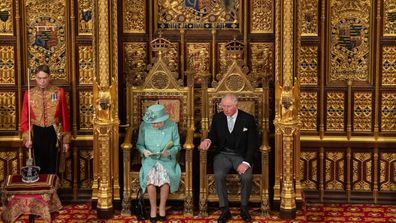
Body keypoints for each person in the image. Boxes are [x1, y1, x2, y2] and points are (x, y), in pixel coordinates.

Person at [199, 94, 259, 223]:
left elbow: (252, 143)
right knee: (219, 175)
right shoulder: (218, 118)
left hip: (241, 156)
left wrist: (246, 162)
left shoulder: (247, 119)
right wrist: (208, 140)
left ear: (236, 105)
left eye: (229, 106)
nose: (225, 109)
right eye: (223, 106)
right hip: (223, 154)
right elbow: (212, 135)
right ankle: (224, 209)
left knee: (246, 176)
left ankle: (244, 208)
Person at [20, 64, 70, 174]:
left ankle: (52, 189)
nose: (42, 81)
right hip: (36, 132)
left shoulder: (58, 92)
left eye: (44, 78)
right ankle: (40, 189)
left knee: (53, 163)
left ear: (49, 77)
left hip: (53, 132)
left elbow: (65, 117)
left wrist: (66, 140)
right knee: (38, 164)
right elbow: (24, 118)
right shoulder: (29, 94)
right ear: (35, 78)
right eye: (39, 78)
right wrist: (27, 138)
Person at [136, 104, 181, 223]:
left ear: (164, 120)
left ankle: (161, 208)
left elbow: (178, 146)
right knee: (150, 180)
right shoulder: (144, 126)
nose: (155, 125)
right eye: (153, 123)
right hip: (150, 160)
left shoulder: (172, 126)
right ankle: (152, 209)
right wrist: (144, 151)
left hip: (166, 160)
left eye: (158, 123)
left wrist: (169, 152)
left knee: (165, 180)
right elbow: (139, 145)